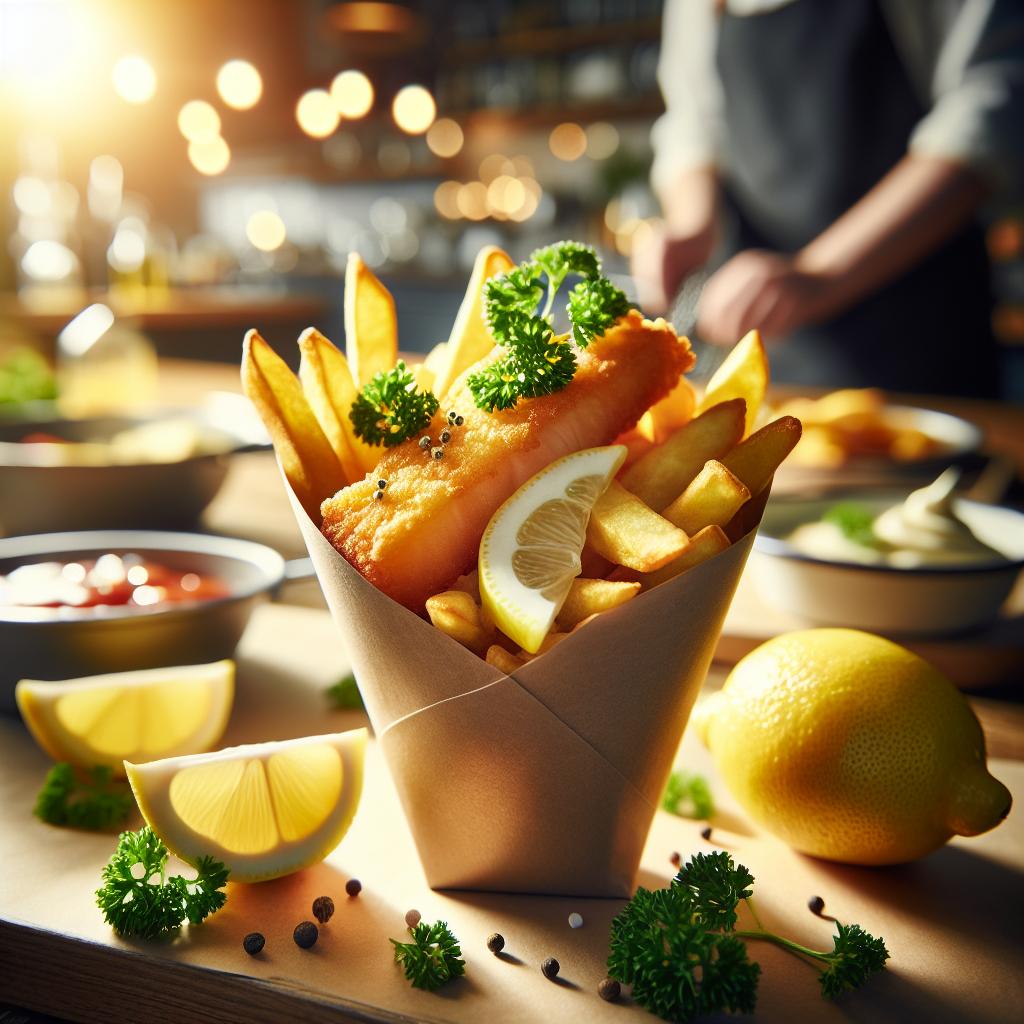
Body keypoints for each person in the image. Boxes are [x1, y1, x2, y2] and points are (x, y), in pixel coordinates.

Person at [633, 0, 1024, 397]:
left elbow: (991, 105)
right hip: (766, 354)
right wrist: (692, 227)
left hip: (923, 340)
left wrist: (820, 272)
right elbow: (693, 125)